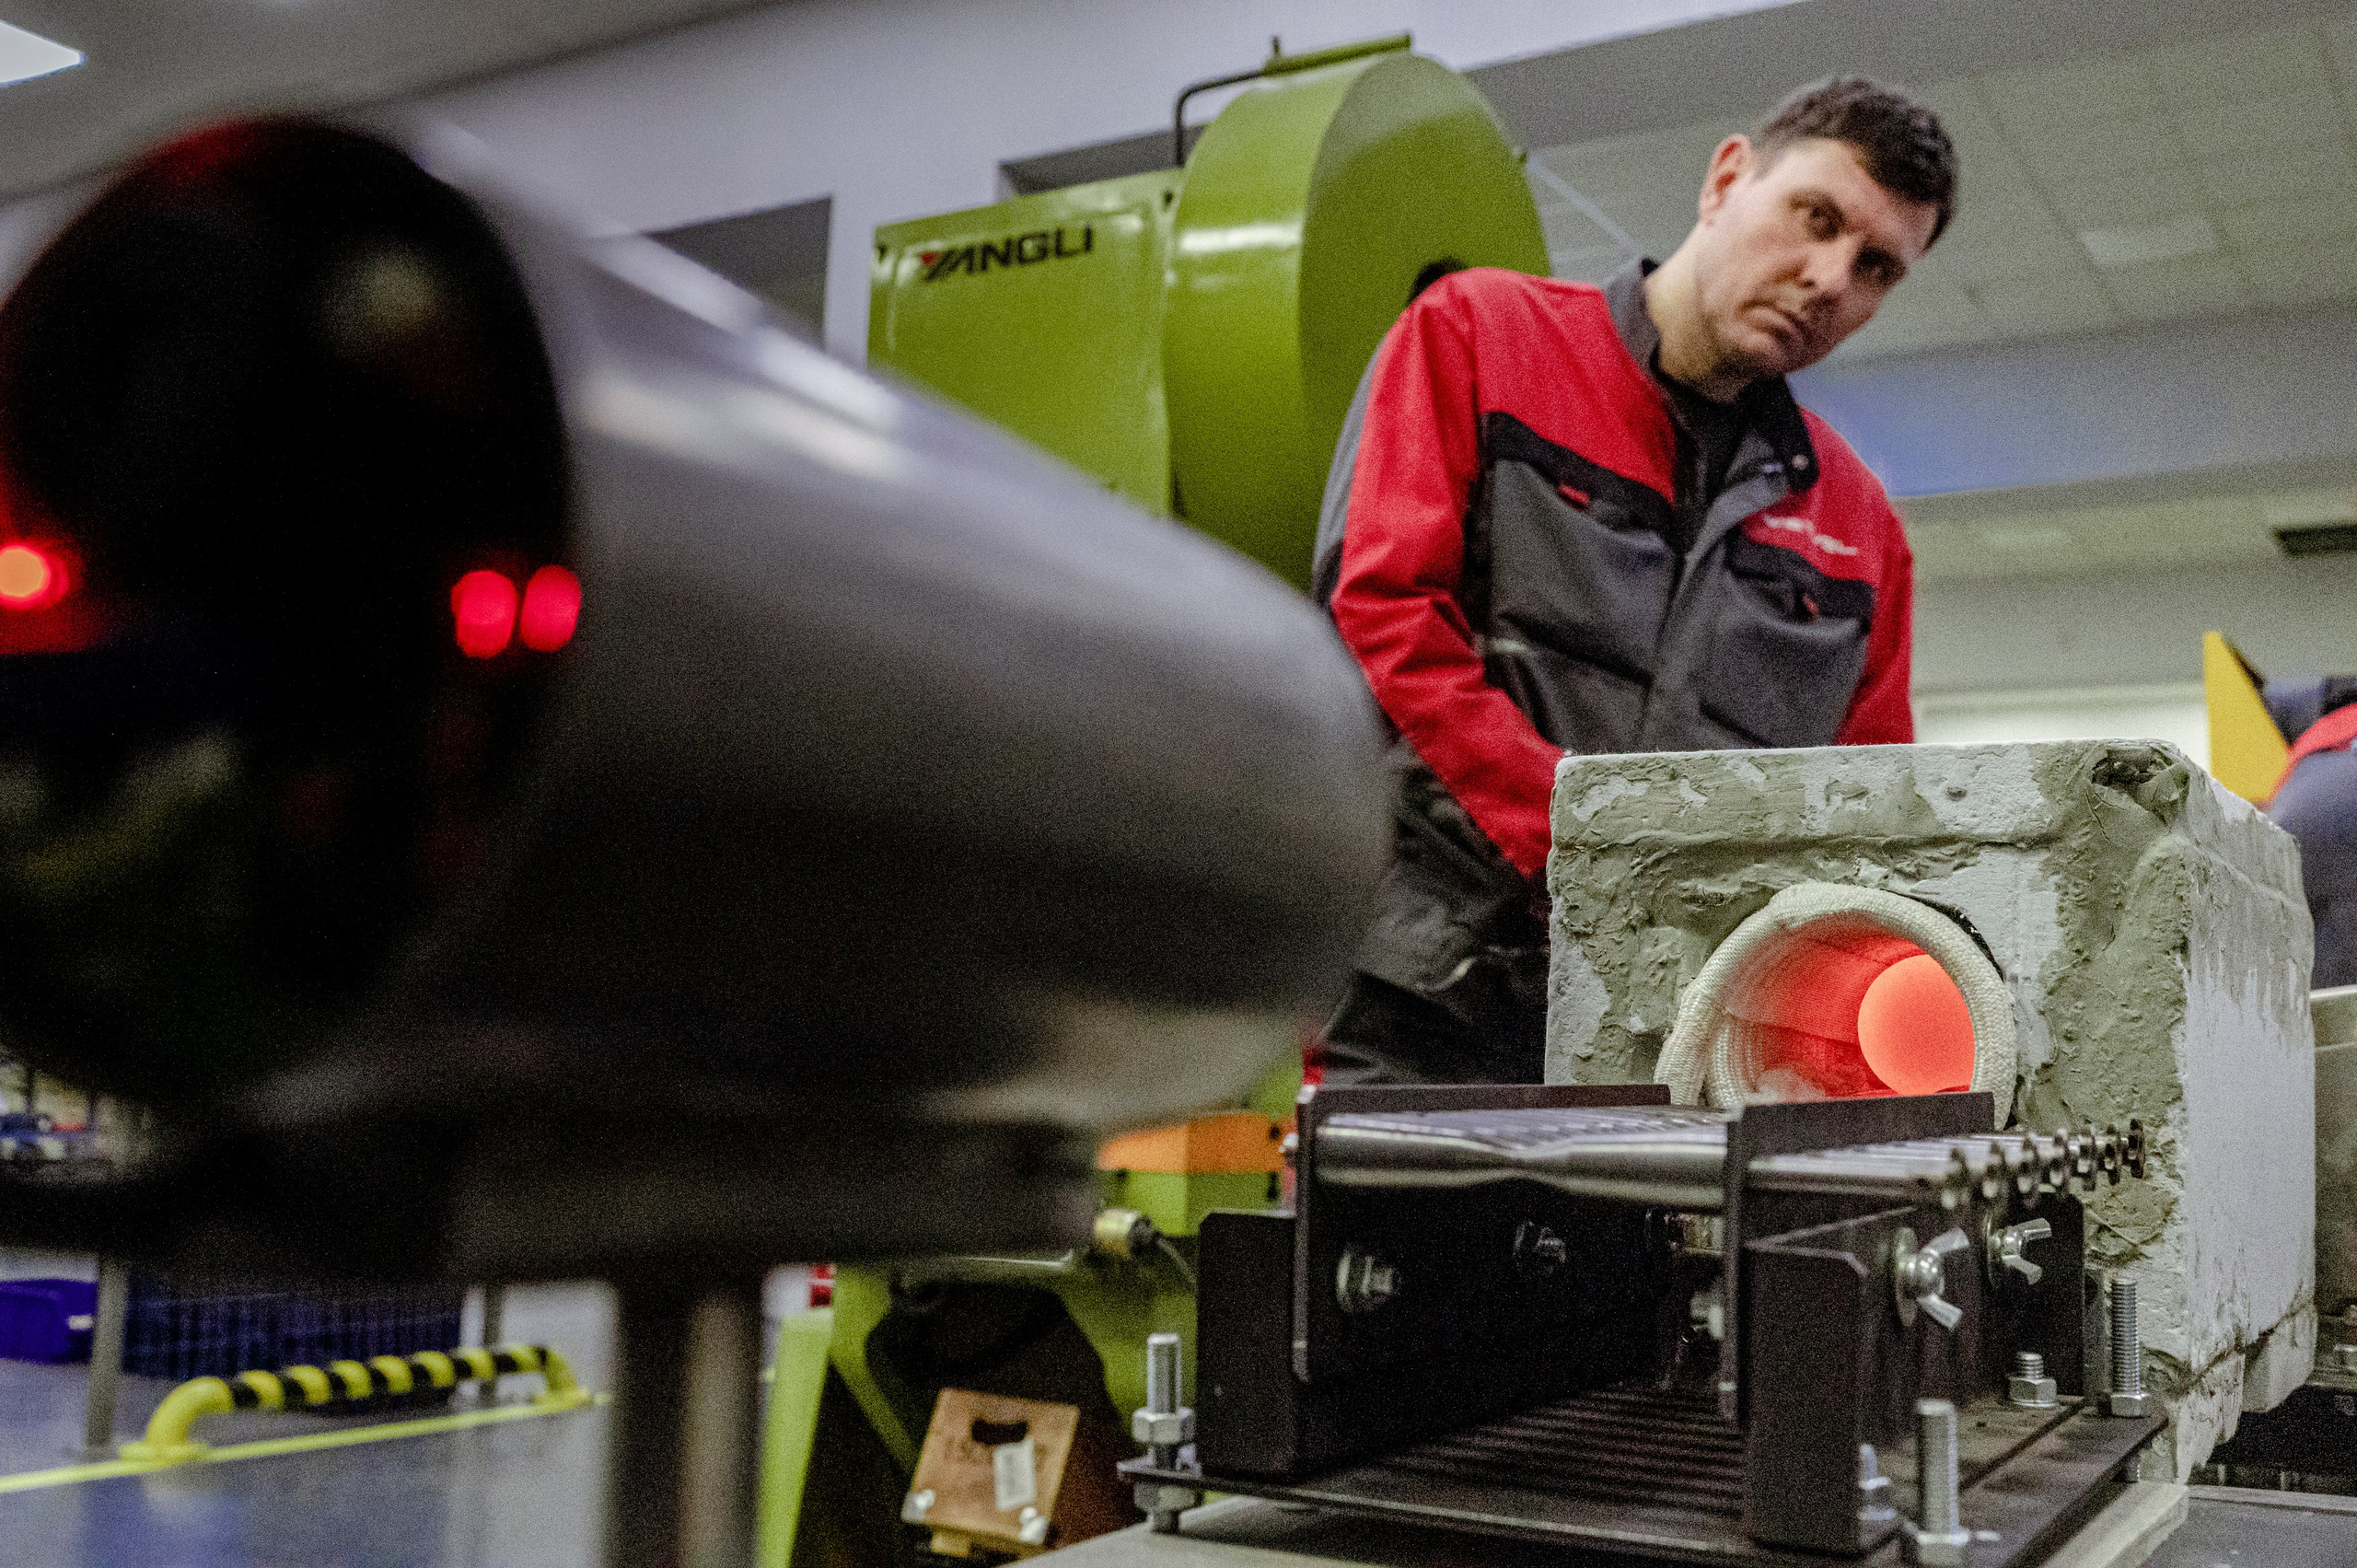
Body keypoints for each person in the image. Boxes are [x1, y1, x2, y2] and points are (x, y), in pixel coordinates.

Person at [1309, 76, 1957, 1085]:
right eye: (1815, 217)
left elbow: (1861, 805)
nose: (1829, 277)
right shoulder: (1478, 336)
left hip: (1685, 1041)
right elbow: (1383, 614)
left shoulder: (1860, 526)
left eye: (1875, 265)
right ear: (1726, 179)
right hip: (1425, 997)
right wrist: (1583, 846)